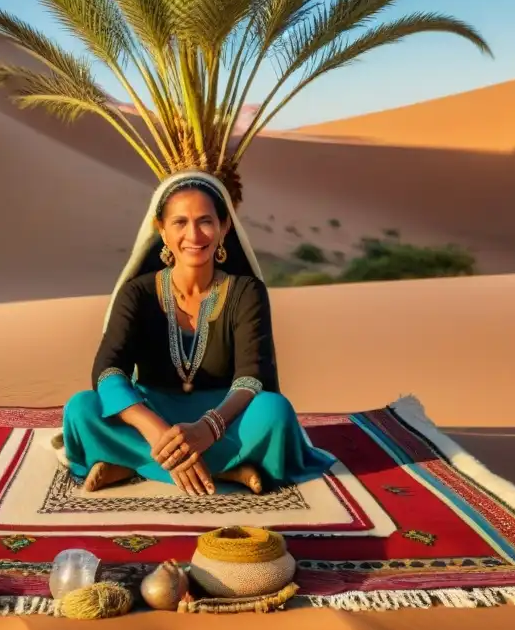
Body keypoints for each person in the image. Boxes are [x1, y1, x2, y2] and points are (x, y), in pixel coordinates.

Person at [60, 170, 335, 497]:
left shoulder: (246, 292)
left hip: (226, 418)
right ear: (162, 230)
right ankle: (229, 469)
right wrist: (157, 432)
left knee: (274, 412)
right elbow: (108, 370)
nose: (194, 234)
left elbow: (251, 378)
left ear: (224, 228)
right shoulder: (138, 293)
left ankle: (132, 463)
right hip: (153, 413)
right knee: (81, 408)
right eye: (179, 222)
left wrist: (209, 428)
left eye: (205, 221)